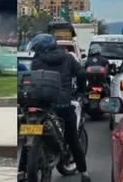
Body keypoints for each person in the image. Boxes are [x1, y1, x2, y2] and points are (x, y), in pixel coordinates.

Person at [18, 33, 91, 182]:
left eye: (37, 48)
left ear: (42, 49)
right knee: (72, 138)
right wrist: (81, 92)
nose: (36, 51)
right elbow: (82, 74)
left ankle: (20, 171)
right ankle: (84, 173)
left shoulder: (37, 61)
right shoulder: (69, 58)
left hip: (39, 104)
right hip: (63, 104)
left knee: (28, 137)